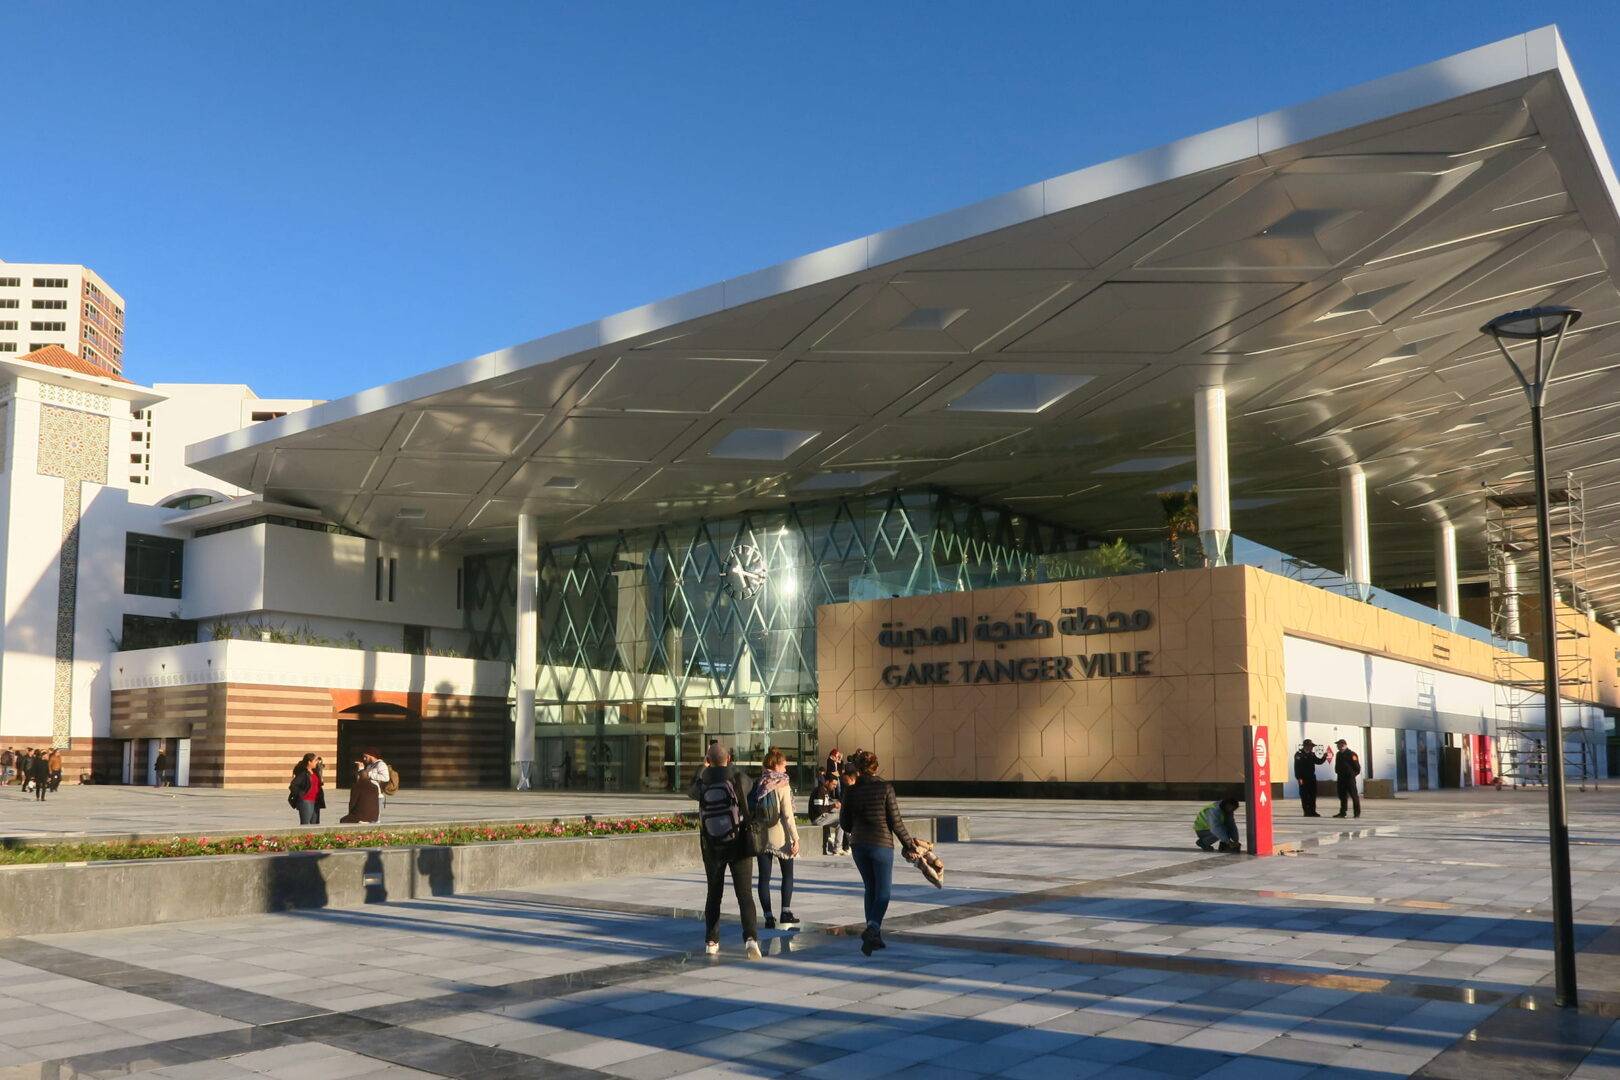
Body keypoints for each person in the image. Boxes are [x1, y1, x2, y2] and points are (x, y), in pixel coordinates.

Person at [839, 750, 916, 956]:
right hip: (881, 844)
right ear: (876, 768)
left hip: (858, 845)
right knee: (883, 892)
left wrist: (858, 826)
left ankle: (875, 936)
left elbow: (844, 824)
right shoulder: (885, 788)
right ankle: (872, 929)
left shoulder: (850, 791)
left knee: (870, 889)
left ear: (858, 769)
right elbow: (896, 822)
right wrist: (910, 845)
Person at [689, 741, 761, 958]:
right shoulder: (737, 778)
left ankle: (711, 941)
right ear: (728, 759)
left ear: (708, 760)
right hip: (738, 844)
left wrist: (702, 768)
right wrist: (732, 768)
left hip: (712, 846)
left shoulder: (703, 782)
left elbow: (690, 790)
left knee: (714, 894)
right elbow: (751, 785)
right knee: (745, 894)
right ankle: (751, 939)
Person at [751, 748, 801, 930]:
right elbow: (787, 815)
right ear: (776, 765)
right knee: (787, 875)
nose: (786, 768)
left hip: (762, 836)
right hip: (781, 837)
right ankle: (785, 912)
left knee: (764, 878)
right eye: (784, 765)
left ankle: (768, 917)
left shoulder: (760, 782)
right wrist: (796, 838)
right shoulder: (782, 784)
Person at [340, 750, 390, 824]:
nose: (364, 759)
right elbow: (363, 777)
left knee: (374, 816)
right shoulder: (370, 765)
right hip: (368, 793)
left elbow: (386, 778)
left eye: (365, 757)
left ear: (371, 755)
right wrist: (361, 770)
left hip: (377, 794)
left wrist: (368, 774)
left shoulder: (381, 765)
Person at [1294, 739, 1329, 817]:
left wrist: (1324, 757)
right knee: (1304, 795)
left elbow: (1318, 761)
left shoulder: (1312, 754)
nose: (1311, 748)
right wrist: (1299, 778)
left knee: (1313, 795)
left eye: (1312, 746)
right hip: (1303, 778)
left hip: (1311, 778)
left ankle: (1313, 811)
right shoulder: (1299, 754)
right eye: (1310, 746)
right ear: (1306, 746)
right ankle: (1306, 812)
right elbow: (1296, 767)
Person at [809, 771, 842, 855]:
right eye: (833, 784)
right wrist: (833, 806)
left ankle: (838, 847)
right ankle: (838, 848)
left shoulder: (826, 790)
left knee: (841, 819)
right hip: (818, 818)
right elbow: (819, 809)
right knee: (841, 819)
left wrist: (834, 807)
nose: (835, 787)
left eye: (836, 785)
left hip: (822, 816)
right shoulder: (820, 791)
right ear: (827, 782)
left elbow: (825, 807)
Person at [289, 753, 326, 825]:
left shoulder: (315, 772)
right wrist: (301, 795)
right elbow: (293, 785)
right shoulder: (303, 773)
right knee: (305, 825)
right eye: (315, 761)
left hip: (316, 801)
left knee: (315, 825)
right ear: (309, 762)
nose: (317, 762)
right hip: (306, 801)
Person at [1333, 739, 1362, 819]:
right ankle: (1342, 813)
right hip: (1341, 778)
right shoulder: (1338, 754)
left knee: (1354, 796)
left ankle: (1356, 813)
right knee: (1342, 796)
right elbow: (1337, 765)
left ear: (1344, 745)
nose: (1338, 746)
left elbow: (1357, 768)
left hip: (1349, 779)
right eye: (1338, 745)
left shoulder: (1352, 754)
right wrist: (1337, 771)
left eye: (1340, 745)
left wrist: (1352, 775)